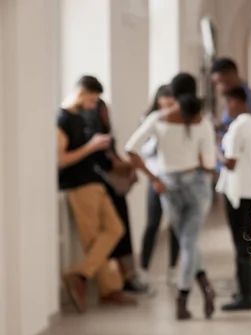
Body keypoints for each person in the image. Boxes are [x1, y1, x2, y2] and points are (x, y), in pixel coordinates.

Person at [125, 73, 217, 321]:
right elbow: (209, 162)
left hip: (166, 186)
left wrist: (153, 178)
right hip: (196, 184)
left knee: (187, 241)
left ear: (173, 94)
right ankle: (195, 294)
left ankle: (187, 298)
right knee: (189, 243)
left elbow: (130, 148)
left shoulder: (157, 118)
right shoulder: (202, 120)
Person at [58, 77, 137, 312]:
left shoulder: (80, 117)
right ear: (82, 93)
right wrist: (91, 147)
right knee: (94, 239)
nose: (95, 105)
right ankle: (108, 290)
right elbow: (60, 159)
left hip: (94, 182)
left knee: (115, 229)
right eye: (93, 99)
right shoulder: (62, 119)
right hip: (78, 186)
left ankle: (82, 276)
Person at [77, 76, 148, 294]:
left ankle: (119, 280)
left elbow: (111, 154)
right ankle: (106, 281)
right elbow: (104, 160)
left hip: (104, 185)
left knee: (118, 231)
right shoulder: (83, 120)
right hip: (97, 185)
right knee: (114, 233)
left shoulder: (98, 120)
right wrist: (126, 167)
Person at [216, 86, 251, 311]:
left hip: (236, 191)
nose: (227, 109)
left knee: (240, 244)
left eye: (227, 104)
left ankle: (244, 296)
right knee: (248, 241)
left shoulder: (237, 127)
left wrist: (214, 150)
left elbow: (231, 162)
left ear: (234, 102)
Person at [137, 85, 180, 284]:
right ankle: (144, 268)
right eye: (166, 99)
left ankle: (173, 268)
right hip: (155, 178)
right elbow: (141, 151)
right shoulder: (150, 120)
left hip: (173, 178)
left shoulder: (178, 121)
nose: (168, 103)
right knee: (152, 224)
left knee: (175, 226)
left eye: (172, 99)